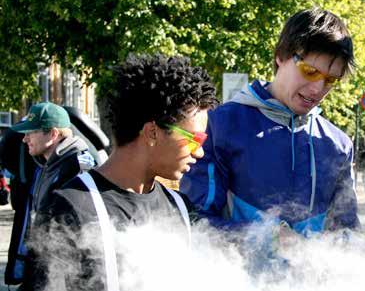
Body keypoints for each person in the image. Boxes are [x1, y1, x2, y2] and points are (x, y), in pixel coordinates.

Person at [22, 55, 218, 290]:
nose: (199, 153)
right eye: (194, 139)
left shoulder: (180, 208)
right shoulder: (68, 207)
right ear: (152, 132)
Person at [180, 8, 360, 257]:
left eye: (330, 80)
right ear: (280, 57)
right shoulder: (221, 125)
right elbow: (193, 223)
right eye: (310, 71)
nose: (318, 89)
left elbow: (346, 231)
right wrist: (266, 237)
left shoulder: (338, 144)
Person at [4, 102, 95, 286]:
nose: (24, 139)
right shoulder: (46, 165)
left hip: (62, 277)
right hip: (44, 270)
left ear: (53, 134)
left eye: (30, 132)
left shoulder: (78, 167)